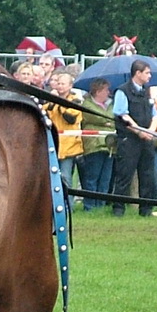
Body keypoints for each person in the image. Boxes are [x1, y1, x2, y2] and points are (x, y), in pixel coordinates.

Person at [110, 60, 157, 216]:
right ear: (137, 73)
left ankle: (146, 209)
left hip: (146, 139)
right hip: (129, 139)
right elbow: (122, 114)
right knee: (124, 174)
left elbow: (154, 115)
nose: (150, 76)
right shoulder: (122, 91)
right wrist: (139, 131)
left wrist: (150, 131)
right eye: (147, 73)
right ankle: (118, 209)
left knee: (148, 175)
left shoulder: (147, 92)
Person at [45, 68, 86, 204]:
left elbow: (71, 118)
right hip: (53, 144)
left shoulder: (76, 101)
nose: (60, 86)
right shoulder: (50, 99)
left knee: (66, 177)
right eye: (59, 83)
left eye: (63, 84)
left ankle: (68, 204)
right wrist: (52, 102)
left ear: (70, 86)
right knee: (51, 177)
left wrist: (59, 103)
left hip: (69, 146)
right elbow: (45, 112)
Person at [76, 77, 115, 210]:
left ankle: (101, 205)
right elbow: (93, 116)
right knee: (92, 177)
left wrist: (106, 121)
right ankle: (89, 206)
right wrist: (107, 121)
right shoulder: (86, 104)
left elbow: (114, 118)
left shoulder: (111, 104)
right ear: (98, 91)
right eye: (105, 90)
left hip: (109, 146)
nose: (108, 92)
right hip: (93, 145)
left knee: (105, 178)